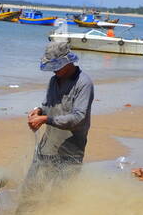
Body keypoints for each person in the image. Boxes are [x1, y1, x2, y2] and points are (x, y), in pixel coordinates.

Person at [23, 43, 94, 192]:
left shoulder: (84, 83)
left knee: (60, 194)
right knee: (31, 188)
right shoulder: (54, 80)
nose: (54, 70)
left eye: (57, 67)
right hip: (48, 145)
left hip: (71, 148)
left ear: (68, 63)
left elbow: (78, 117)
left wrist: (45, 120)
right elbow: (49, 104)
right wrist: (38, 111)